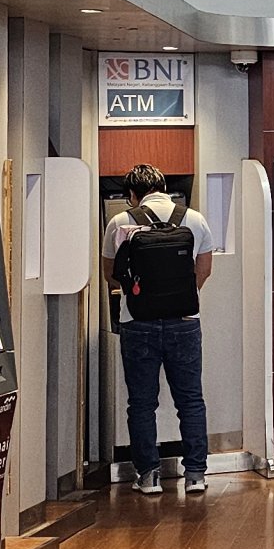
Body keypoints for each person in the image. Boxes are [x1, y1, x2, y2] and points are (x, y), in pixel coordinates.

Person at [102, 163, 215, 497]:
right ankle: (195, 475)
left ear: (132, 194)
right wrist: (179, 297)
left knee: (141, 403)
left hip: (137, 323)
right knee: (190, 400)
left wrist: (142, 296)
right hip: (185, 322)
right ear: (164, 187)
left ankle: (149, 476)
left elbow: (111, 274)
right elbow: (205, 269)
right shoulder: (194, 219)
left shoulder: (119, 222)